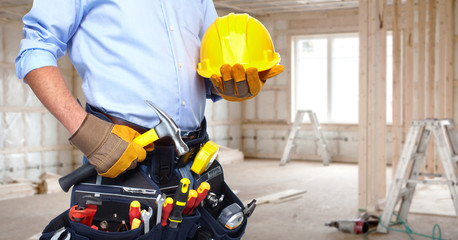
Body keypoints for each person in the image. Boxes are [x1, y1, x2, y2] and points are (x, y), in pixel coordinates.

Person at [15, 0, 283, 239]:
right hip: (123, 158)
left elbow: (209, 65)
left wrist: (229, 84)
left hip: (196, 159)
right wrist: (85, 130)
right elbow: (35, 50)